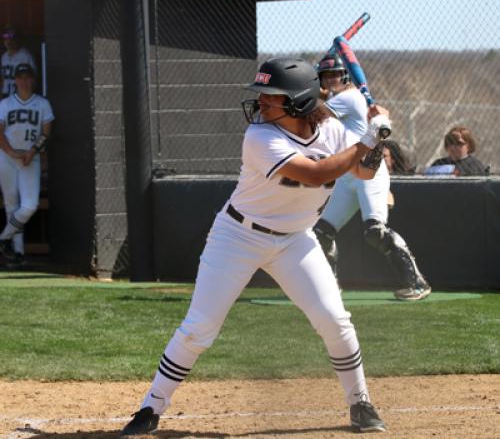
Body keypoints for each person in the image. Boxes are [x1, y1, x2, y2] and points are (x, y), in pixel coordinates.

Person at [121, 57, 388, 436]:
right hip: (238, 237)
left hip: (296, 240)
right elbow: (317, 174)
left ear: (298, 101)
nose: (261, 103)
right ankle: (150, 408)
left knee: (335, 319)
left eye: (270, 96)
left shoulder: (330, 130)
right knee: (200, 328)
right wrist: (366, 138)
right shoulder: (261, 137)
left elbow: (364, 170)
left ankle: (360, 402)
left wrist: (377, 140)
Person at [313, 54, 431, 301]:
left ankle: (417, 283)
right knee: (321, 233)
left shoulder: (349, 97)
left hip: (369, 172)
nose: (332, 79)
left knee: (374, 232)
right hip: (347, 175)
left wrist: (305, 88)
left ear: (345, 76)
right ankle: (329, 287)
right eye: (326, 76)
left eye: (336, 74)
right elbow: (326, 102)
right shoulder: (343, 97)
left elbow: (316, 115)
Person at [0, 63, 54, 268]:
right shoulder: (5, 104)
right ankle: (18, 254)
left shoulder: (42, 104)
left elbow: (46, 132)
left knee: (29, 205)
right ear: (15, 80)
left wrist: (32, 151)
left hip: (30, 158)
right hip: (7, 157)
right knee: (11, 204)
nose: (24, 81)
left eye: (27, 77)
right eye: (20, 77)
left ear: (33, 79)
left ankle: (3, 238)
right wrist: (11, 151)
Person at [1, 27, 36, 98]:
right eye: (6, 38)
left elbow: (33, 80)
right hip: (5, 96)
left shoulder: (25, 56)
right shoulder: (4, 57)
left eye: (11, 38)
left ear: (17, 39)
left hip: (20, 96)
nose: (9, 41)